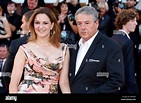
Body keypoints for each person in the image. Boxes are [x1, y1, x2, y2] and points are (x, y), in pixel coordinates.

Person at [9, 7, 71, 93]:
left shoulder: (63, 49)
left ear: (52, 25)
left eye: (45, 23)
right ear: (33, 25)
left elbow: (64, 82)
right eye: (37, 23)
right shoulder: (24, 49)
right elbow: (13, 85)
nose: (40, 27)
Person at [69, 6, 124, 93]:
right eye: (79, 23)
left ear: (96, 24)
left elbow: (116, 81)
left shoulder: (111, 47)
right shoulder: (73, 48)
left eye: (87, 23)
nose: (83, 27)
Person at [2, 10, 34, 92]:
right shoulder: (55, 44)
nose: (21, 26)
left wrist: (12, 90)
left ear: (29, 23)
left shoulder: (17, 43)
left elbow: (6, 73)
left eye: (23, 23)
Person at [111, 9, 139, 93]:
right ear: (124, 21)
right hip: (124, 88)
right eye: (133, 21)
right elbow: (128, 70)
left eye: (136, 21)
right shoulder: (127, 42)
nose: (136, 23)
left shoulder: (113, 38)